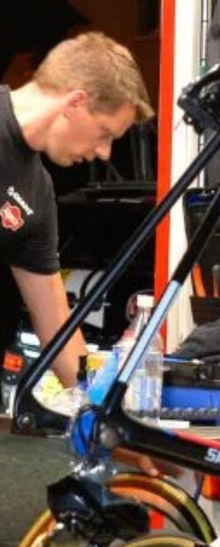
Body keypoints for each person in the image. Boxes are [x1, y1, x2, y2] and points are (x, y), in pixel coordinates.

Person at [1, 31, 153, 392]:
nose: (104, 153)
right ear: (76, 103)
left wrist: (96, 403)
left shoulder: (37, 193)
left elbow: (58, 328)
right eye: (104, 133)